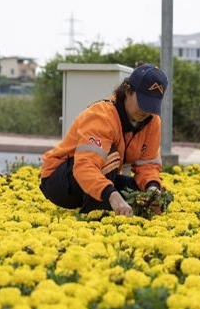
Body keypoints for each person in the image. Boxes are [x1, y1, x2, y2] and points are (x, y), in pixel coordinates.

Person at [39, 63, 169, 217]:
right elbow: (85, 166)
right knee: (110, 156)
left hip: (95, 177)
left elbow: (148, 164)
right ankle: (94, 216)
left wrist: (152, 187)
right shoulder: (101, 116)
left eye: (151, 105)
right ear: (128, 91)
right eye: (143, 102)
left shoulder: (153, 121)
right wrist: (111, 195)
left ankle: (108, 204)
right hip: (60, 180)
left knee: (151, 197)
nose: (147, 111)